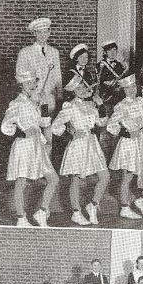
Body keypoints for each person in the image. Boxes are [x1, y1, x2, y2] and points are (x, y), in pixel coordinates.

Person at [0, 70, 59, 228]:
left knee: (53, 179)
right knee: (22, 181)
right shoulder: (16, 103)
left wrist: (43, 106)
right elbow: (5, 126)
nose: (32, 85)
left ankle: (41, 212)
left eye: (34, 82)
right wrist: (22, 132)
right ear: (21, 85)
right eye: (28, 83)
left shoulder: (34, 102)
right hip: (24, 145)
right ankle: (21, 218)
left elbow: (44, 123)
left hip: (37, 145)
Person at [51, 75, 110, 226]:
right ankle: (76, 212)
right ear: (73, 91)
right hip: (78, 145)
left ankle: (93, 205)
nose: (83, 90)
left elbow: (102, 122)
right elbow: (55, 126)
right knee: (76, 179)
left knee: (105, 176)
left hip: (92, 144)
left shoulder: (91, 104)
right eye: (79, 88)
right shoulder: (69, 105)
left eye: (84, 86)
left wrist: (101, 105)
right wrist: (70, 134)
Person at [106, 75, 143, 220]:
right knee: (127, 177)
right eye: (127, 88)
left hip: (141, 142)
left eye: (133, 86)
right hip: (128, 144)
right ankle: (124, 207)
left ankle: (142, 199)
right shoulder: (121, 106)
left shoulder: (140, 101)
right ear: (123, 90)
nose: (131, 90)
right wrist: (126, 132)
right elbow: (110, 126)